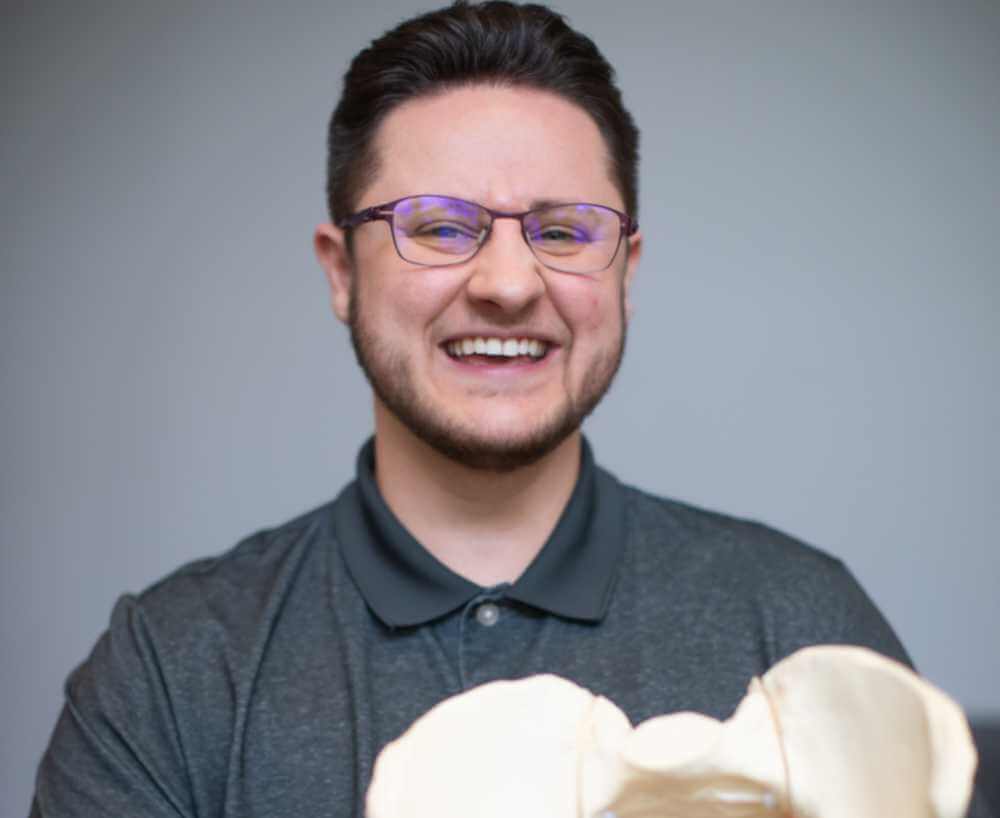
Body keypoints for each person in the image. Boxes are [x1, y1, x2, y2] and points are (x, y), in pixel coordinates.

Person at [30, 3, 992, 817]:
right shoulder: (170, 675)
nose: (505, 282)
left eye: (564, 231)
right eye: (439, 227)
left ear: (626, 269)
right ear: (339, 271)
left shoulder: (800, 624)